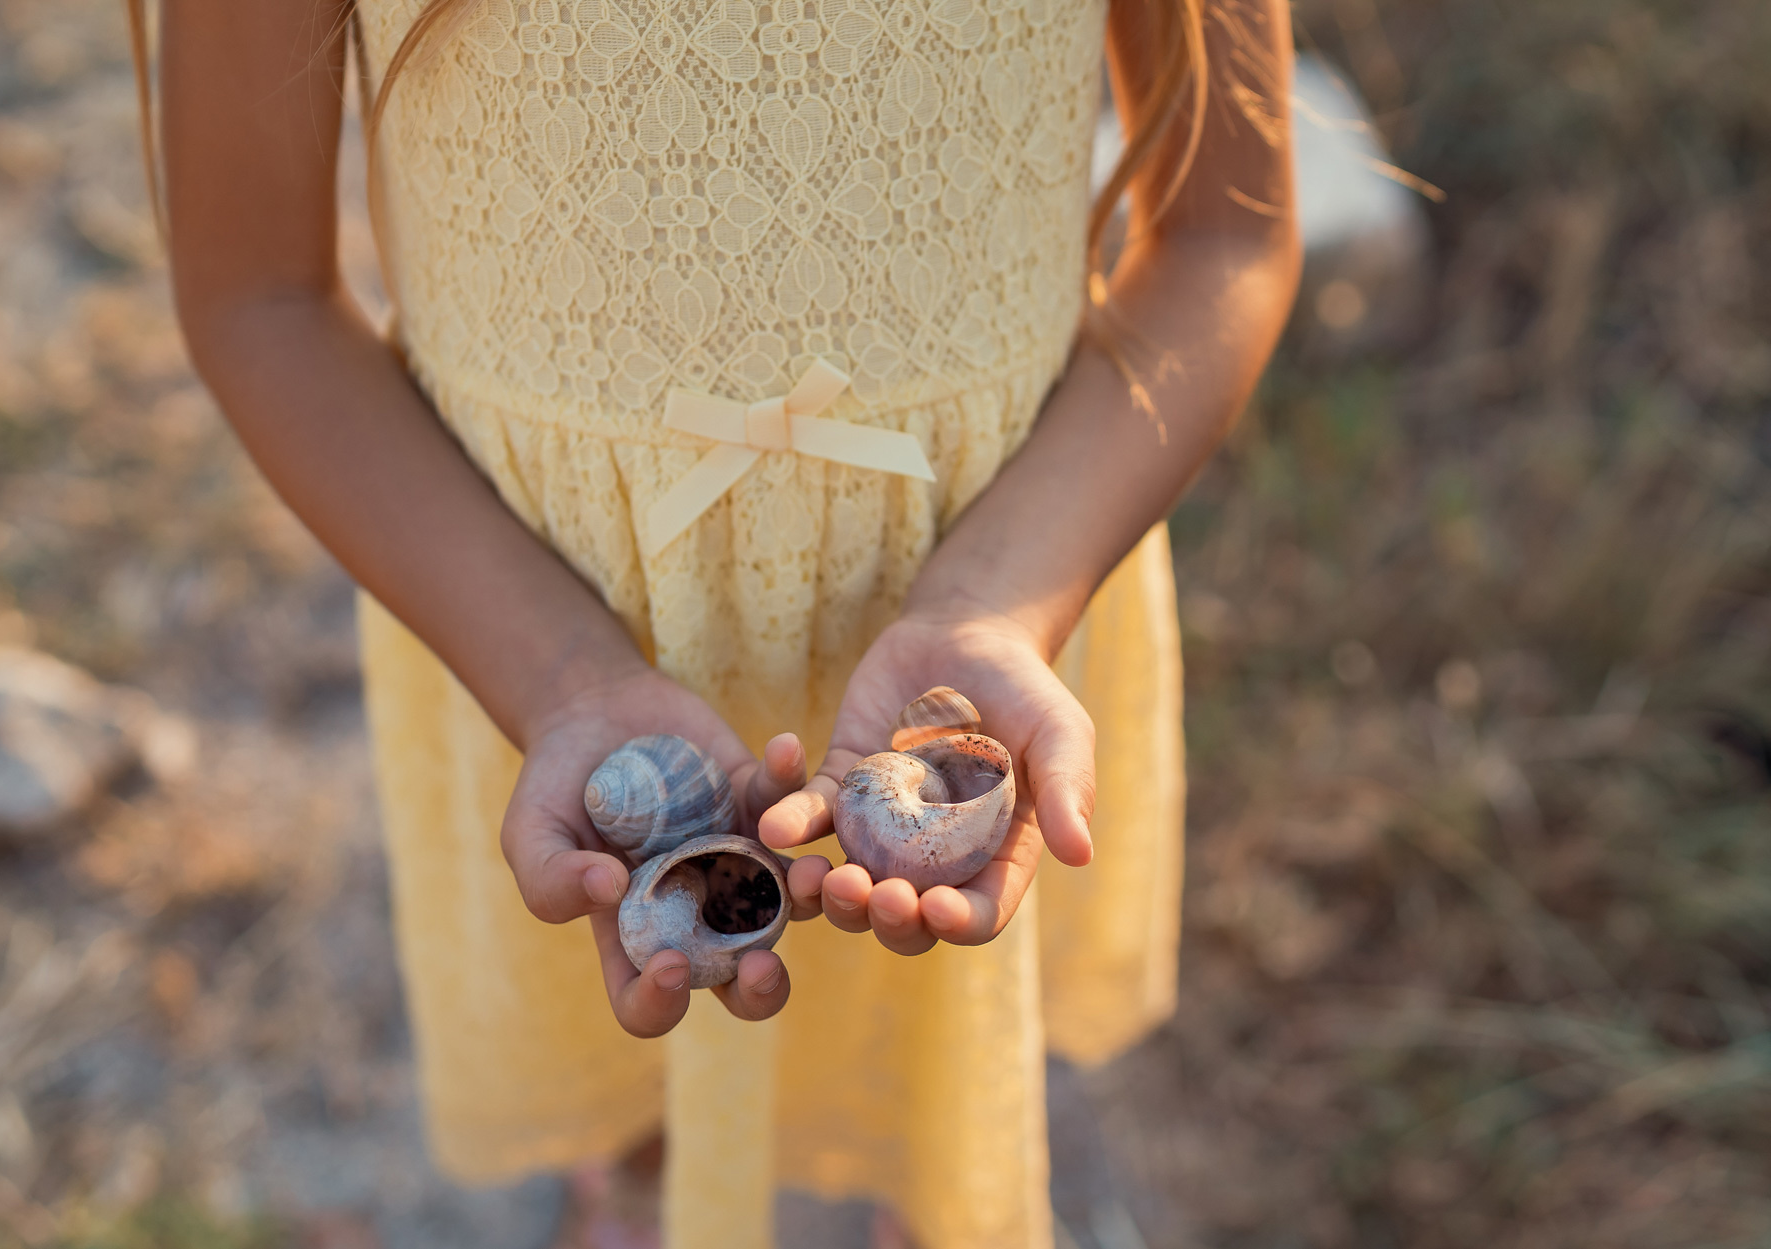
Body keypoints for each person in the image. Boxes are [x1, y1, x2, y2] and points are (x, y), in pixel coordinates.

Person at [146, 0, 1297, 1239]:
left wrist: (999, 604)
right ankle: (643, 1168)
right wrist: (557, 675)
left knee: (923, 1035)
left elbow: (1221, 235)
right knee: (628, 996)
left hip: (1010, 536)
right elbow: (256, 294)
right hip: (523, 601)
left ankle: (910, 1192)